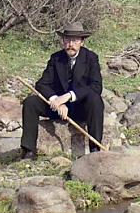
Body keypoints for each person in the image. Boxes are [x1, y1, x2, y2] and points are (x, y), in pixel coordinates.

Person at [20, 22, 104, 160]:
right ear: (63, 41)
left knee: (95, 100)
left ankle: (95, 150)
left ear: (82, 42)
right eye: (67, 40)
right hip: (57, 108)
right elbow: (41, 84)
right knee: (31, 102)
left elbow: (96, 87)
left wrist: (68, 97)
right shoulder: (56, 58)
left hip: (81, 108)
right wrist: (55, 100)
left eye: (75, 40)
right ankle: (28, 150)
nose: (70, 44)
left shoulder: (91, 58)